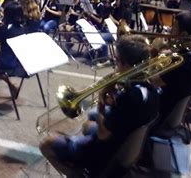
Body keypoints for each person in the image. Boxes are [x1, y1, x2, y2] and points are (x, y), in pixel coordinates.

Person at [39, 35, 159, 176]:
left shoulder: (129, 97)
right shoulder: (152, 90)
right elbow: (126, 114)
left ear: (126, 65)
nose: (116, 66)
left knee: (46, 143)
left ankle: (78, 174)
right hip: (123, 148)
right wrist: (114, 100)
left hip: (103, 155)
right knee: (87, 125)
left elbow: (103, 135)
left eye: (117, 61)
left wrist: (102, 101)